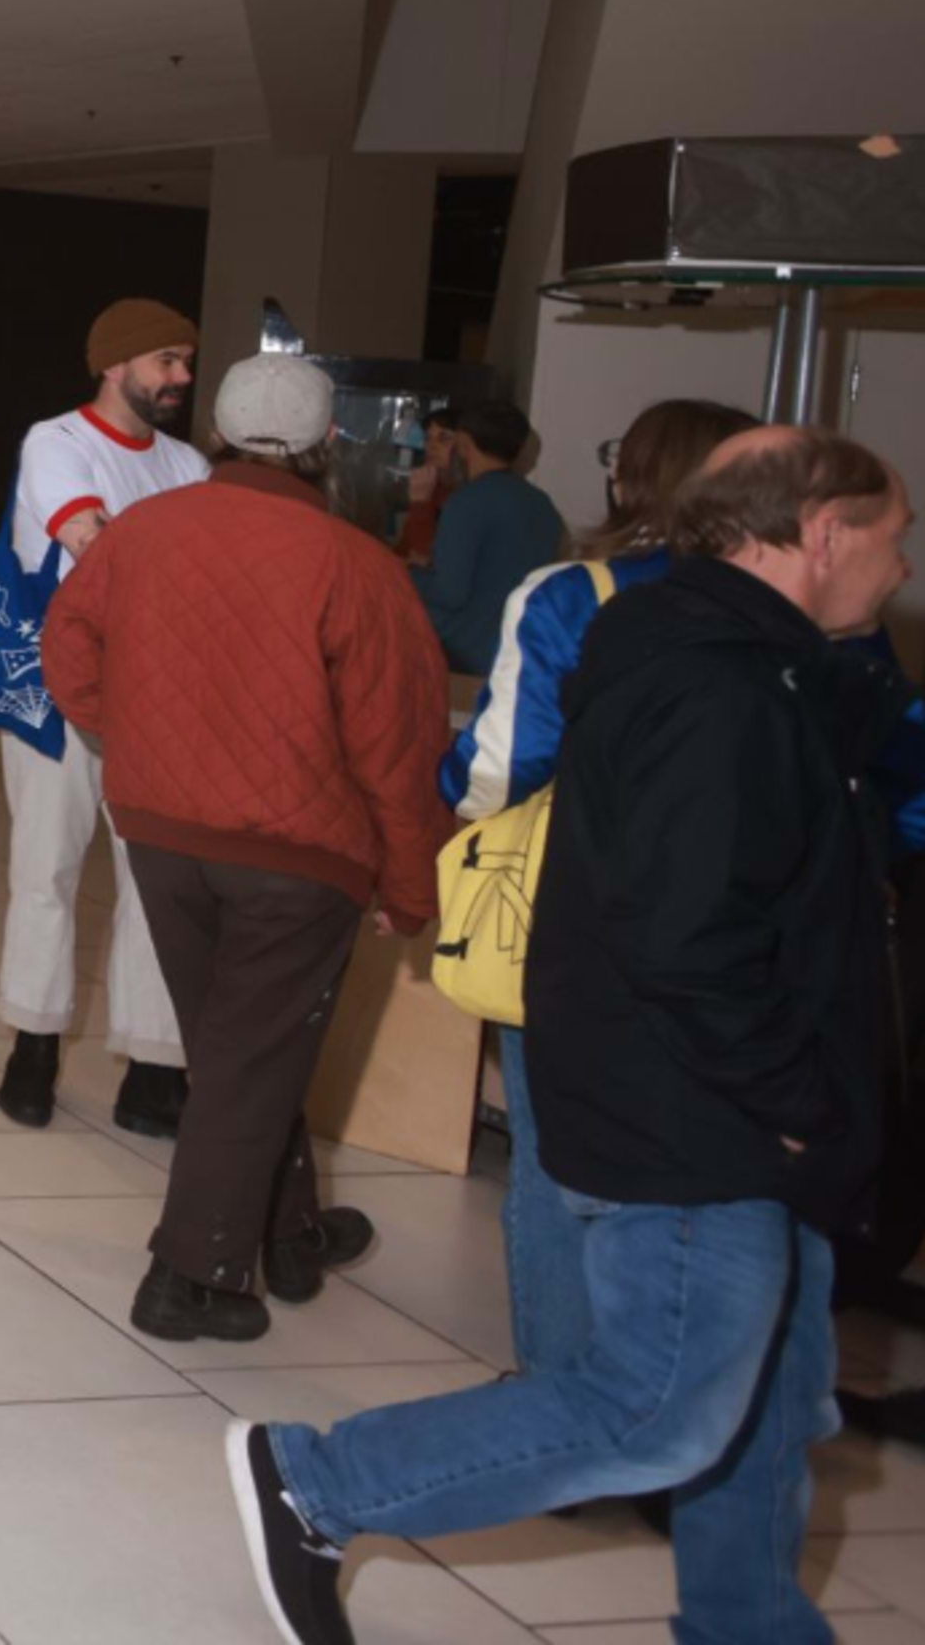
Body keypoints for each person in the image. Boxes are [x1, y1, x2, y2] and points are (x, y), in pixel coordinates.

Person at [232, 428, 914, 1645]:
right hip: (709, 1117)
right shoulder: (720, 689)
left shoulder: (747, 656)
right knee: (655, 1407)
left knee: (767, 1399)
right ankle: (318, 1482)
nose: (902, 565)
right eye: (891, 534)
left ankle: (748, 1622)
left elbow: (845, 781)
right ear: (822, 534)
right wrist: (795, 1106)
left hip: (744, 1102)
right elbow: (686, 940)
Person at [44, 354, 447, 1346]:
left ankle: (288, 1230)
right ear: (326, 446)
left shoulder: (141, 534)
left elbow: (66, 652)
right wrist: (410, 880)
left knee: (241, 1053)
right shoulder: (358, 564)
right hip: (299, 857)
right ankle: (190, 1274)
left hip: (165, 835)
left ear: (218, 429)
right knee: (248, 1058)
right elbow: (398, 747)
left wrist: (136, 741)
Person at [443, 394, 757, 1379]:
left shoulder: (577, 593)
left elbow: (502, 766)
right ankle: (681, 1376)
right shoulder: (782, 600)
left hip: (584, 917)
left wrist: (448, 785)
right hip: (741, 920)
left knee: (554, 1151)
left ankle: (567, 1391)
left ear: (635, 477)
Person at [0, 297, 204, 1139]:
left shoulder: (188, 464)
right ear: (113, 365)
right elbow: (93, 543)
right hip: (58, 696)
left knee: (159, 881)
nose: (181, 378)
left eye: (186, 362)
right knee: (46, 869)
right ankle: (33, 1047)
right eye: (165, 362)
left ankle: (154, 1065)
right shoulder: (58, 442)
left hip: (156, 702)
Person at [409, 399, 571, 677]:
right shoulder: (542, 504)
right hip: (517, 652)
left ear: (464, 444)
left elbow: (449, 594)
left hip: (463, 655)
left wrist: (405, 571)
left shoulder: (467, 502)